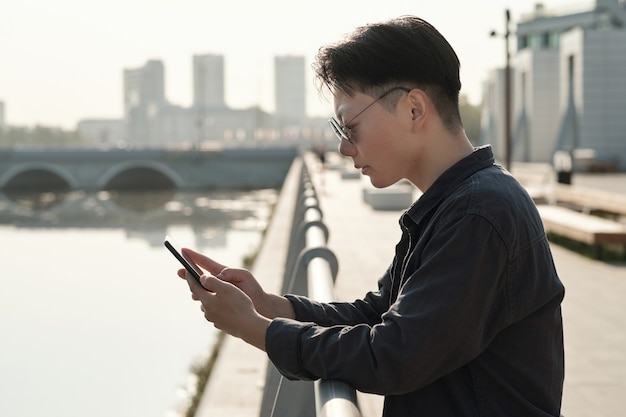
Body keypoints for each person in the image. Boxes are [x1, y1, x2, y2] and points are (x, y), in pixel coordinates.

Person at [176, 15, 565, 417]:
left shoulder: (478, 213)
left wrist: (255, 328)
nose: (344, 148)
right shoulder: (457, 203)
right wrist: (268, 305)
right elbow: (378, 314)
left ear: (414, 109)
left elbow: (394, 355)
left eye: (351, 127)